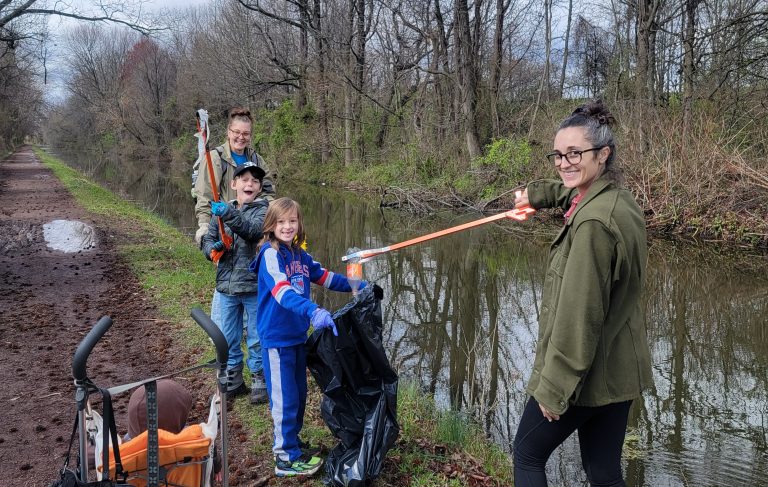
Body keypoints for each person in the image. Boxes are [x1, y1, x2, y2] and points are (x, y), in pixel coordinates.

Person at [511, 101, 653, 487]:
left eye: (575, 153)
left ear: (603, 154)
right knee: (604, 472)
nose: (563, 162)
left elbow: (579, 315)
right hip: (620, 372)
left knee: (527, 454)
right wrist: (537, 195)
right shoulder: (618, 201)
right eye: (558, 154)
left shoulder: (592, 225)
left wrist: (554, 389)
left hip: (584, 378)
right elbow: (573, 192)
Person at [249, 197, 366, 477]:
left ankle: (292, 442)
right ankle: (284, 459)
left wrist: (356, 284)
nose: (287, 226)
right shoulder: (269, 254)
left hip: (297, 337)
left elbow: (324, 277)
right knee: (285, 399)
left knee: (300, 396)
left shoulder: (300, 256)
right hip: (277, 341)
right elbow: (283, 292)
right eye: (281, 222)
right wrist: (313, 311)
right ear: (271, 225)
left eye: (292, 221)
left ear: (299, 223)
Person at [193, 107, 276, 386]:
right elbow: (204, 198)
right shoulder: (214, 158)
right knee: (226, 310)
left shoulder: (256, 159)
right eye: (236, 133)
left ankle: (257, 372)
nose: (241, 137)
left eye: (246, 134)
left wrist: (272, 221)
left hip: (250, 231)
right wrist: (206, 234)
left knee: (254, 317)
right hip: (223, 227)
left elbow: (270, 193)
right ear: (228, 132)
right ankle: (231, 368)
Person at [201, 161, 270, 404]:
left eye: (255, 180)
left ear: (260, 187)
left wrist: (228, 215)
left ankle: (259, 377)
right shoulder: (221, 210)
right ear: (234, 184)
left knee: (256, 336)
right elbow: (207, 240)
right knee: (228, 336)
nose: (249, 183)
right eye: (244, 179)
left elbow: (252, 231)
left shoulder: (264, 211)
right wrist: (213, 249)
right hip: (226, 287)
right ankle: (234, 378)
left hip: (253, 286)